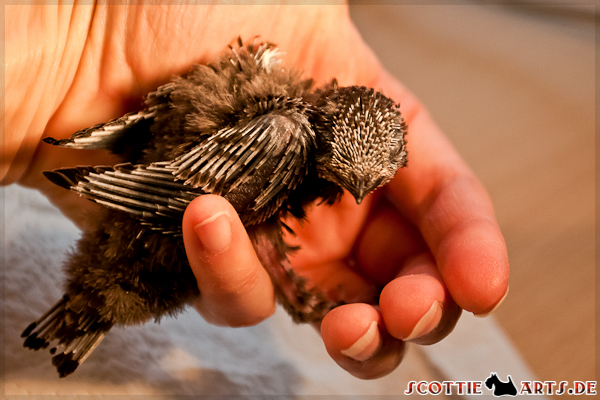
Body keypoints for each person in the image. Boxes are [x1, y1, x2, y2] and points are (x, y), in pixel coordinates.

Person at [3, 4, 509, 380]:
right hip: (152, 210)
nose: (349, 198)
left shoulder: (287, 115)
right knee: (192, 241)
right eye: (342, 178)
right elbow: (187, 188)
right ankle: (77, 320)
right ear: (326, 143)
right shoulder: (284, 138)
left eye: (362, 188)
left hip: (148, 174)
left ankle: (73, 322)